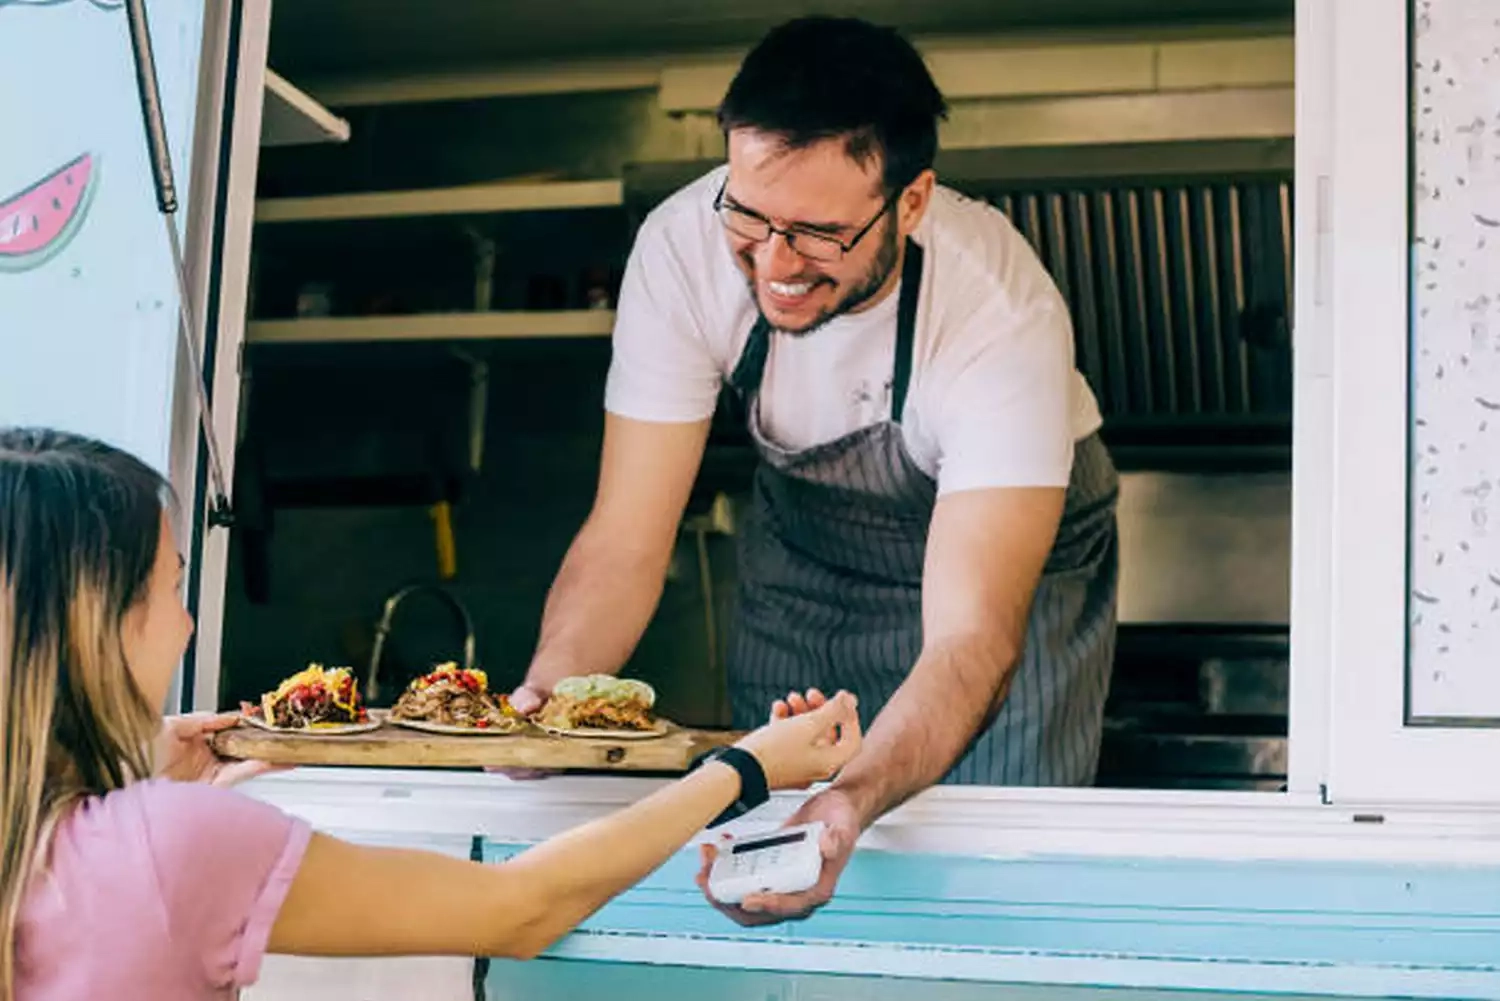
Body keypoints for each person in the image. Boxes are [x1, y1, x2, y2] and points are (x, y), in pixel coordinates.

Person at [507, 15, 1120, 927]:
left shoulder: (997, 311)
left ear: (911, 203)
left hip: (1003, 587)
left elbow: (971, 641)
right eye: (749, 215)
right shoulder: (680, 250)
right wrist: (548, 700)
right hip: (807, 560)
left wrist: (849, 800)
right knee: (769, 835)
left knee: (968, 857)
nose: (776, 263)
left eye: (818, 232)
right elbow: (627, 537)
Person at [0, 426, 861, 1000]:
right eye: (174, 584)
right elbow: (519, 907)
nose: (187, 621)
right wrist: (745, 768)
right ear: (99, 624)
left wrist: (121, 778)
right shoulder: (172, 841)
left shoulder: (74, 841)